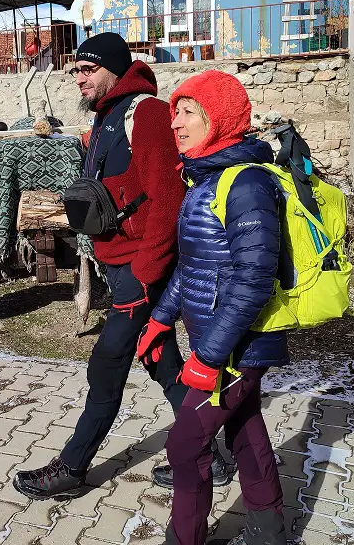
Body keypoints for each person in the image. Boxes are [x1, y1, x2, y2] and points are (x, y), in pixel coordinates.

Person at [12, 33, 233, 500]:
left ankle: (71, 468)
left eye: (88, 69)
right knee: (161, 357)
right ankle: (210, 453)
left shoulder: (146, 114)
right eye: (75, 70)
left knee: (108, 362)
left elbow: (167, 199)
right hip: (121, 267)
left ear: (114, 70)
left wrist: (146, 276)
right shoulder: (106, 118)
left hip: (140, 270)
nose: (79, 78)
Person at [122, 70, 291, 545]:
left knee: (186, 443)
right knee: (243, 426)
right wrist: (160, 319)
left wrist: (210, 355)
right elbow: (193, 268)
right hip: (218, 336)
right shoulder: (205, 179)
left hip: (240, 343)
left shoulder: (247, 183)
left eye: (190, 111)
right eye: (176, 111)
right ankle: (267, 536)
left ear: (222, 118)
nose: (176, 122)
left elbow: (254, 278)